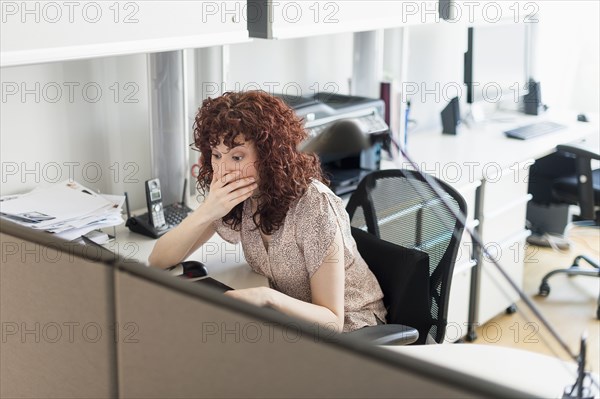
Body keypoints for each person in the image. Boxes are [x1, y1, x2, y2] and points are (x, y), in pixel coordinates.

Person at [149, 90, 386, 333]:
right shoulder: (240, 197)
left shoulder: (314, 207)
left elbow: (332, 321)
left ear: (269, 155)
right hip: (295, 323)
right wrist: (207, 211)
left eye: (237, 157)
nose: (223, 169)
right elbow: (159, 260)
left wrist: (267, 297)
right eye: (217, 155)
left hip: (354, 330)